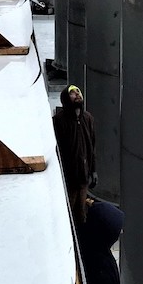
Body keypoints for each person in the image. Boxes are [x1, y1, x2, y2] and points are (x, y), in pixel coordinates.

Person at [53, 84, 96, 225]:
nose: (77, 94)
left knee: (81, 214)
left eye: (78, 91)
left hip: (83, 177)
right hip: (68, 178)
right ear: (66, 98)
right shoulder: (59, 120)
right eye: (72, 93)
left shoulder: (88, 118)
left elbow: (92, 146)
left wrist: (93, 170)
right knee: (67, 213)